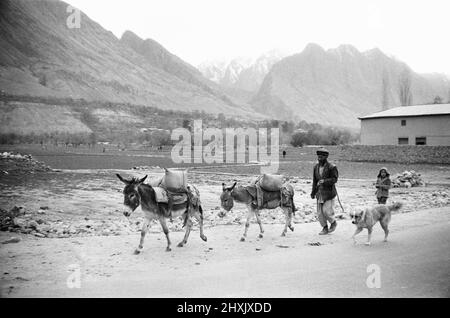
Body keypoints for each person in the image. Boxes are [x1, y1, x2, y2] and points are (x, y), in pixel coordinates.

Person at [310, 148, 338, 235]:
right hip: (319, 193)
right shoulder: (316, 167)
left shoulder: (332, 167)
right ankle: (325, 228)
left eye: (321, 157)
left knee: (327, 211)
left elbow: (334, 179)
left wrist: (325, 181)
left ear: (326, 157)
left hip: (329, 193)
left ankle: (333, 223)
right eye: (318, 157)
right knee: (320, 213)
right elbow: (315, 181)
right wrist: (313, 192)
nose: (319, 159)